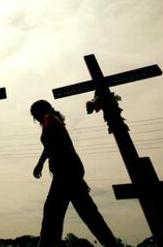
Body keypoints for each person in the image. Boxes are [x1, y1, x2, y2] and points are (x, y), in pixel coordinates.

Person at [30, 100, 117, 247]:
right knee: (86, 211)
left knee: (53, 213)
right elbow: (56, 143)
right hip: (70, 170)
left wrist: (40, 163)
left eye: (34, 114)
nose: (35, 118)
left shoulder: (49, 119)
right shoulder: (54, 120)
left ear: (39, 112)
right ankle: (111, 243)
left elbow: (53, 142)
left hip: (65, 171)